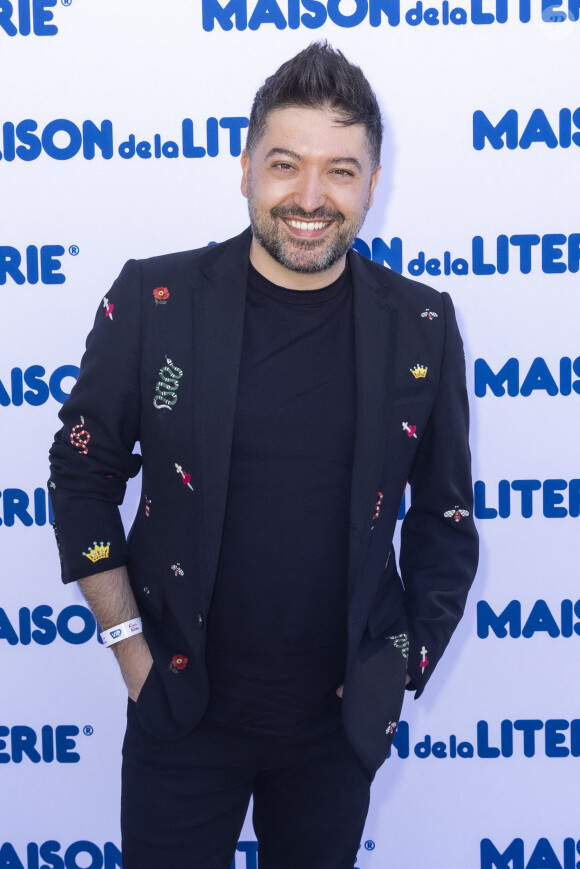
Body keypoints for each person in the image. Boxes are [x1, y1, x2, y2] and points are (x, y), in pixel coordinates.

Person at [49, 41, 478, 869]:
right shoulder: (155, 300)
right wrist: (132, 650)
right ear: (244, 167)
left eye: (341, 171)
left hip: (335, 731)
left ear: (373, 185)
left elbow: (445, 518)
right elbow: (81, 471)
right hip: (180, 708)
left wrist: (402, 667)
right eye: (286, 164)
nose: (310, 198)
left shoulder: (421, 324)